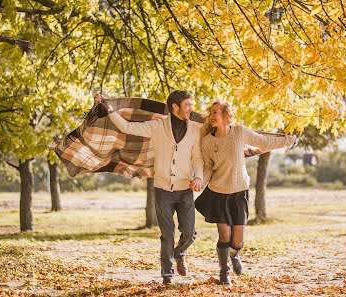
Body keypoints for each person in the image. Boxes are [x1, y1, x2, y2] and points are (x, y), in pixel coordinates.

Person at [95, 91, 203, 285]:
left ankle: (180, 253)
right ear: (175, 107)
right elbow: (127, 127)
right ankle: (167, 275)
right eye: (187, 105)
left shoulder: (195, 129)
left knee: (189, 233)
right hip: (162, 188)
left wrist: (199, 176)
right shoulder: (157, 126)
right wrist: (109, 109)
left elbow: (197, 157)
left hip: (185, 188)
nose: (191, 109)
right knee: (167, 233)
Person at [195, 101, 296, 285]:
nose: (211, 115)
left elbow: (265, 141)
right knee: (224, 234)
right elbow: (208, 168)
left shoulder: (240, 132)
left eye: (215, 112)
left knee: (237, 238)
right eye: (210, 112)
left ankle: (234, 255)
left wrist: (288, 140)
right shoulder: (208, 141)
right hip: (218, 192)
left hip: (239, 192)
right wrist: (200, 181)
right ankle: (224, 272)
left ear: (226, 115)